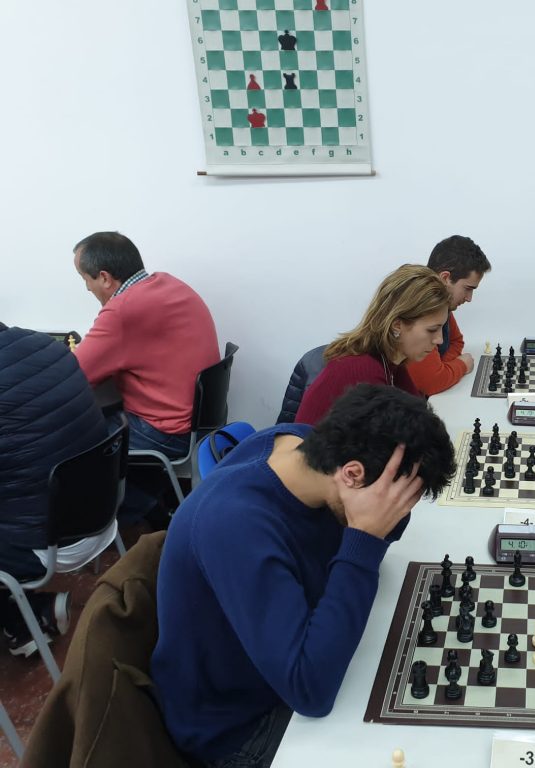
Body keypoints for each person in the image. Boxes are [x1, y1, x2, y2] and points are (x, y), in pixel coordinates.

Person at [151, 384, 455, 767]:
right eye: (397, 497)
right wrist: (364, 537)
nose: (398, 510)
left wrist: (375, 518)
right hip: (238, 726)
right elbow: (311, 691)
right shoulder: (236, 524)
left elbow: (389, 530)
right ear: (353, 474)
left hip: (285, 661)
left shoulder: (307, 446)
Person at [0, 324, 108, 656]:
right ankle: (29, 615)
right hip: (103, 513)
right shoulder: (47, 345)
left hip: (50, 544)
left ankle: (22, 617)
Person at [72, 231, 220, 459]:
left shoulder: (123, 310)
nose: (88, 288)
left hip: (167, 434)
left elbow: (75, 376)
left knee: (69, 434)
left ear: (104, 278)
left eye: (85, 279)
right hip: (200, 424)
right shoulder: (169, 284)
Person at [294, 264, 449, 424]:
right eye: (432, 330)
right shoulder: (363, 372)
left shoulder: (392, 363)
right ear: (397, 325)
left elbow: (419, 417)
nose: (440, 340)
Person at [405, 234, 491, 396]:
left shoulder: (442, 307)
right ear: (445, 278)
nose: (469, 298)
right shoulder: (420, 309)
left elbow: (456, 341)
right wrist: (461, 365)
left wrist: (442, 368)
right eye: (467, 288)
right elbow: (431, 383)